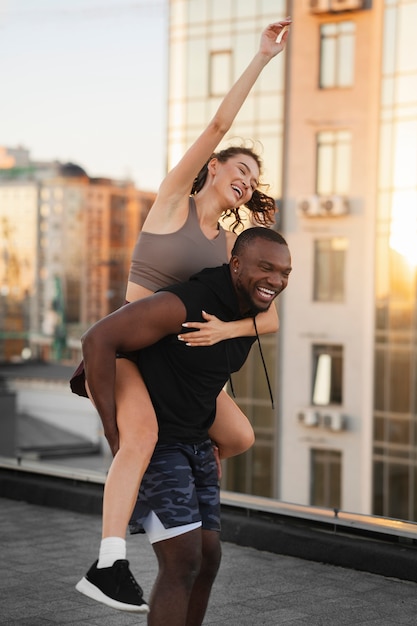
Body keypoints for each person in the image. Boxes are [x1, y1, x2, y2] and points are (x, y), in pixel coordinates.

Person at [72, 18, 291, 612]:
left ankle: (167, 476)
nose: (245, 180)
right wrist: (263, 58)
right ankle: (109, 562)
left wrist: (226, 329)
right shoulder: (172, 202)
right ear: (212, 168)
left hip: (180, 365)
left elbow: (266, 320)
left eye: (253, 177)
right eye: (237, 169)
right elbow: (220, 123)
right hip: (132, 351)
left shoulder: (227, 247)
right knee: (139, 436)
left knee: (239, 435)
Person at [78, 227, 292, 626]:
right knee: (183, 560)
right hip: (160, 443)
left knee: (208, 557)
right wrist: (114, 434)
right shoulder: (187, 303)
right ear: (236, 264)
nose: (277, 281)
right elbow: (98, 339)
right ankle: (108, 563)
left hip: (197, 441)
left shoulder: (252, 313)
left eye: (285, 273)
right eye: (266, 268)